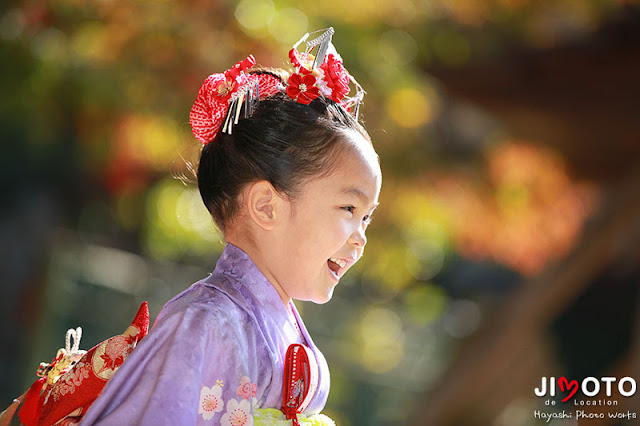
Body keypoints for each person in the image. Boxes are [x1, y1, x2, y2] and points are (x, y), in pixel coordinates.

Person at [79, 28, 381, 425]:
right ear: (266, 206)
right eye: (348, 208)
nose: (360, 239)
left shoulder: (267, 319)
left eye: (367, 218)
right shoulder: (206, 323)